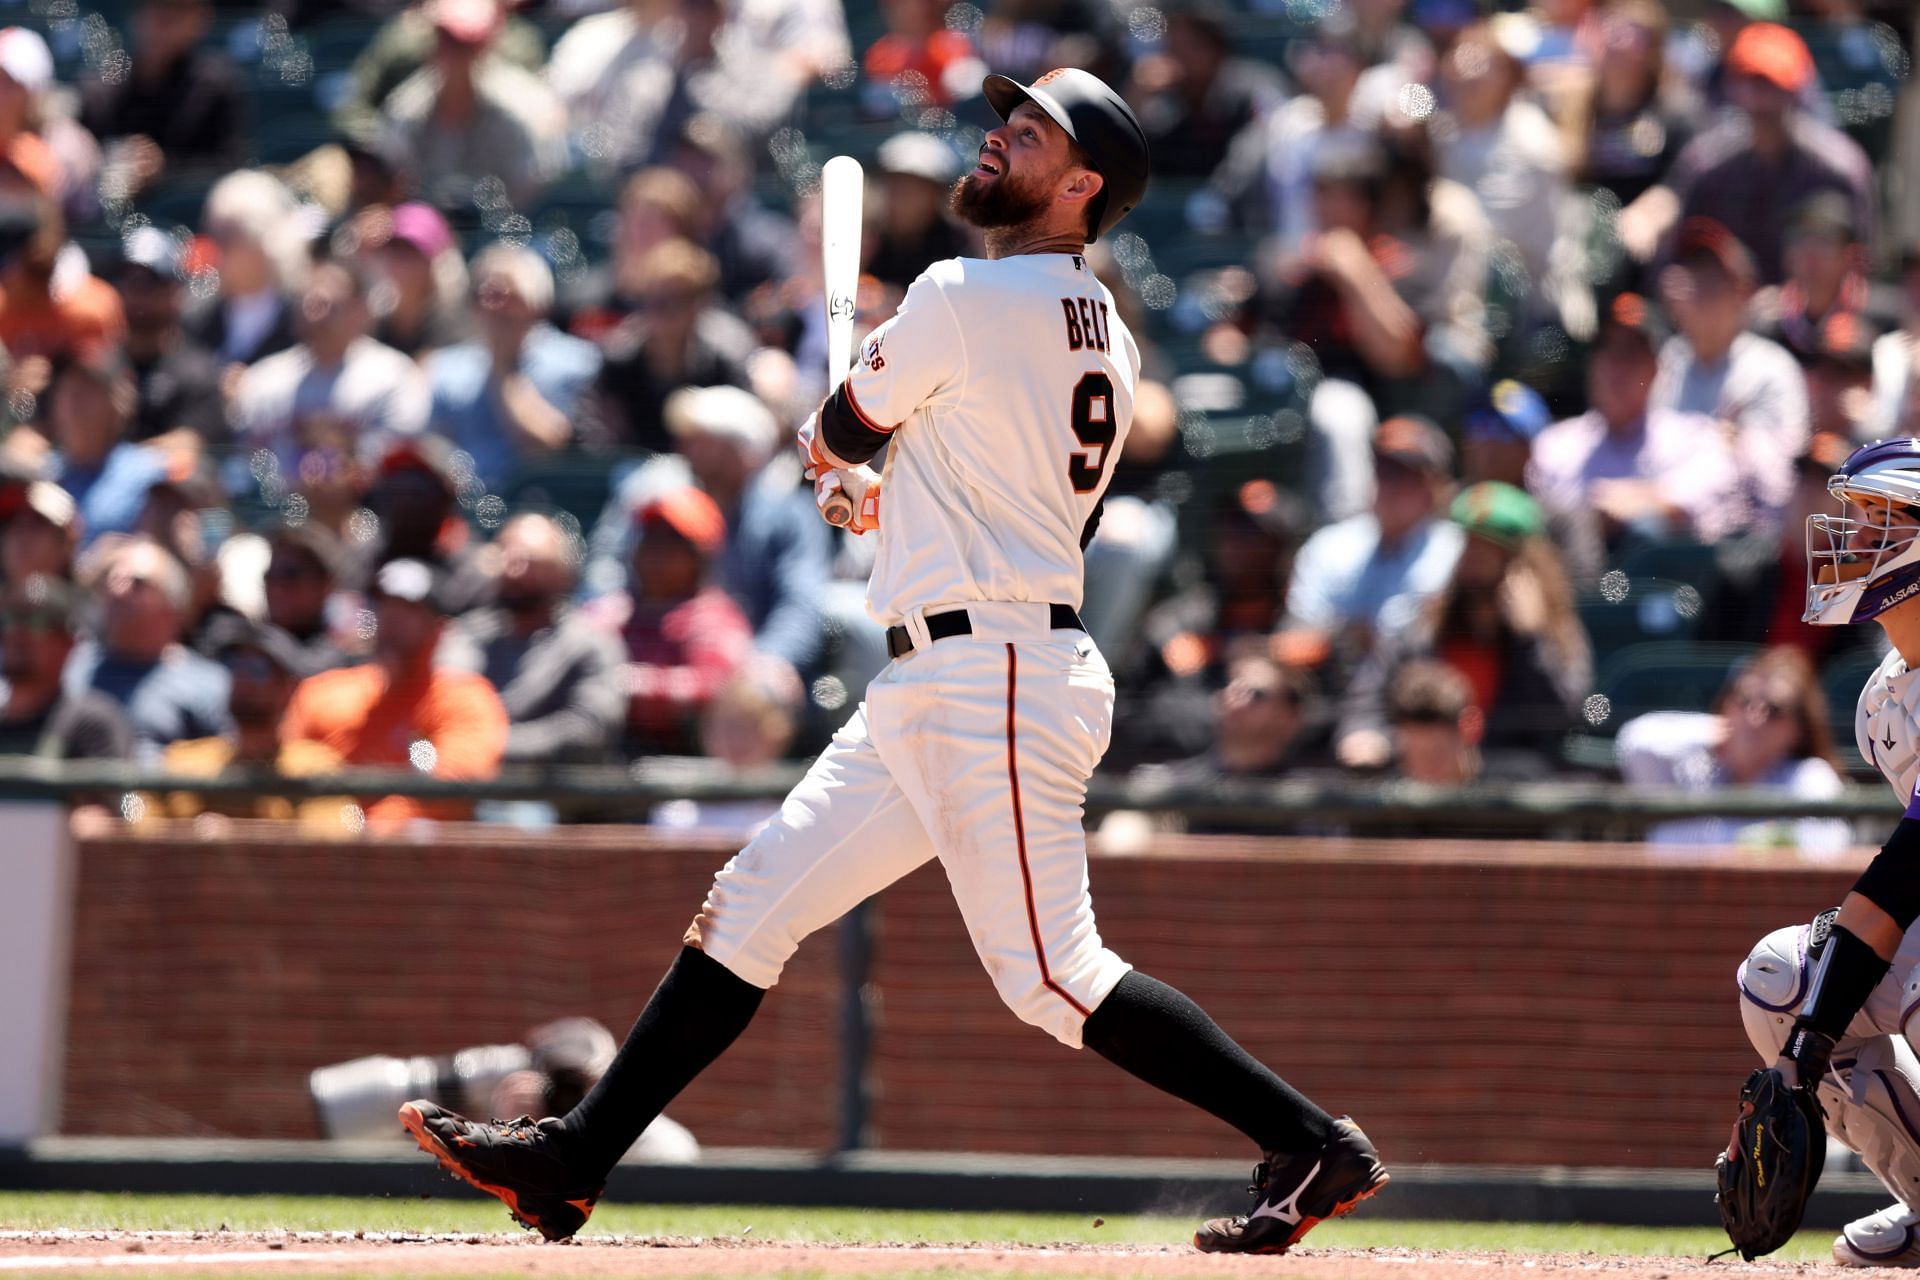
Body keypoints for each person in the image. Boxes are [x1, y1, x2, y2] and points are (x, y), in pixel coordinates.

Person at [401, 67, 1387, 1257]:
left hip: (995, 676)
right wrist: (874, 494)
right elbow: (972, 481)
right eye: (1006, 122)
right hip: (958, 661)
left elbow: (840, 431)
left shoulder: (962, 292)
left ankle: (1309, 1137)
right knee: (751, 906)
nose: (996, 140)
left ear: (1082, 187)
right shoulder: (1110, 334)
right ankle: (572, 1160)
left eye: (1028, 137)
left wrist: (838, 461)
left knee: (1053, 976)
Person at [1728, 436, 1920, 1266]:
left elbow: (1904, 872)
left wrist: (1807, 1056)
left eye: (1877, 522)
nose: (1851, 541)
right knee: (1781, 982)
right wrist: (1805, 1046)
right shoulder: (1885, 697)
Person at [1336, 481, 1590, 775]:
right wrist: (1363, 733)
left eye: (1488, 548)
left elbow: (1561, 721)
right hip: (1422, 776)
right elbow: (1369, 695)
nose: (1473, 559)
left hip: (1509, 789)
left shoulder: (1554, 633)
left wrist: (1530, 640)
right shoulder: (1428, 624)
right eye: (1469, 544)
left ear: (1519, 563)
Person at [281, 557, 508, 830]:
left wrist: (375, 830)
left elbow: (457, 781)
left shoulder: (464, 697)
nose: (391, 620)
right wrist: (340, 827)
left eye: (408, 610)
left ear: (438, 630)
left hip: (425, 860)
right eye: (384, 607)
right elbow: (288, 765)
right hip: (329, 855)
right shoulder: (323, 693)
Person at [1528, 295, 1742, 547]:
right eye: (1607, 351)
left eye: (1630, 355)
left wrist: (1639, 503)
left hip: (1660, 581)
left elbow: (1699, 500)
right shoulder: (1556, 444)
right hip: (1577, 579)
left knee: (1647, 528)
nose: (1617, 368)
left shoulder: (1694, 437)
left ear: (1656, 368)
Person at [1649, 218, 1807, 529]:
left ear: (1743, 293)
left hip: (1743, 536)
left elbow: (1779, 476)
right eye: (1692, 277)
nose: (1697, 290)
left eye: (1713, 280)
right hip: (1667, 524)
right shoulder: (1664, 361)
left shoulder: (1772, 368)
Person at [1616, 646, 1850, 853]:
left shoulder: (1809, 779)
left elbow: (1824, 855)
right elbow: (1635, 743)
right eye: (1744, 700)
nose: (1754, 718)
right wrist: (1709, 729)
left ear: (1798, 731)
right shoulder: (1691, 768)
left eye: (1774, 709)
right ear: (1726, 704)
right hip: (1669, 900)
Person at [442, 513, 624, 767]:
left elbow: (589, 728)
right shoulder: (468, 633)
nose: (515, 571)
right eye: (505, 556)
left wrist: (489, 744)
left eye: (531, 562)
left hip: (547, 790)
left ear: (564, 573)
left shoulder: (590, 643)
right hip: (462, 778)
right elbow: (444, 696)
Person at [587, 483, 753, 756]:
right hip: (605, 762)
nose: (655, 551)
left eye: (671, 542)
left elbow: (717, 687)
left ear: (698, 557)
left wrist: (624, 683)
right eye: (649, 538)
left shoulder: (714, 616)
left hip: (681, 769)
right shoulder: (613, 610)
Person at [426, 243, 601, 492]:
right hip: (467, 504)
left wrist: (502, 371)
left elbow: (551, 450)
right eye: (483, 295)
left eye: (505, 296)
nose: (491, 307)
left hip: (542, 503)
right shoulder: (447, 368)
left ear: (538, 305)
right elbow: (436, 452)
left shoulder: (577, 364)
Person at [231, 258, 431, 474]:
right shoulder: (265, 378)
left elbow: (400, 457)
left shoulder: (394, 375)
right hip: (284, 504)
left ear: (360, 310)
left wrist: (344, 445)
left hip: (367, 504)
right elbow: (247, 464)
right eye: (309, 303)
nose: (315, 315)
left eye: (329, 306)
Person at [155, 617, 352, 827]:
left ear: (288, 689)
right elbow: (137, 815)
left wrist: (237, 840)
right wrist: (192, 837)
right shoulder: (184, 762)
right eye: (234, 664)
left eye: (258, 669)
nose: (242, 678)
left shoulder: (315, 769)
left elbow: (336, 839)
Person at [376, 0, 567, 212]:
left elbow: (534, 188)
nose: (456, 52)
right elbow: (394, 180)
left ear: (486, 44)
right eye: (446, 39)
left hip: (507, 226)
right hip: (428, 226)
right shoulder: (409, 106)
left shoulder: (522, 108)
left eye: (467, 43)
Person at [64, 535, 228, 753]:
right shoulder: (67, 665)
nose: (117, 591)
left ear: (173, 605)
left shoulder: (209, 685)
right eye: (110, 579)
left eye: (137, 583)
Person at [78, 0, 241, 196]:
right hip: (109, 208)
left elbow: (230, 166)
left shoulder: (216, 86)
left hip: (189, 214)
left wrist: (164, 168)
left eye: (176, 9)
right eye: (155, 6)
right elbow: (81, 164)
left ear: (200, 18)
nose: (163, 19)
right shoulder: (100, 89)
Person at [0, 573, 130, 759]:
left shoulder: (91, 723)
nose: (16, 632)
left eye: (36, 622)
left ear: (69, 642)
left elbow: (125, 788)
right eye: (8, 620)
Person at [114, 226, 225, 445]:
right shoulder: (97, 365)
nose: (136, 294)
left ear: (174, 292)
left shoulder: (198, 371)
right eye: (128, 281)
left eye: (148, 283)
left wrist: (120, 463)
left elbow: (190, 444)